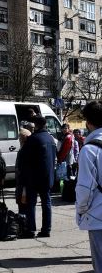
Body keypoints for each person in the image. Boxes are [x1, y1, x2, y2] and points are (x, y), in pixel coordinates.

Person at [18, 116, 56, 238]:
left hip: (33, 178)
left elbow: (25, 160)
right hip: (47, 176)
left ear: (37, 125)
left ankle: (30, 229)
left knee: (31, 203)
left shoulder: (33, 139)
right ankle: (46, 229)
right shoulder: (50, 138)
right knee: (46, 203)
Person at [76, 100, 102, 272]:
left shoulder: (90, 150)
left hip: (98, 216)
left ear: (88, 122)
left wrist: (81, 210)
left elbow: (85, 189)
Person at [15, 128, 32, 236]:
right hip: (25, 183)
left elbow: (20, 169)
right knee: (25, 206)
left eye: (20, 137)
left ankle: (24, 228)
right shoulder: (29, 149)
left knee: (22, 205)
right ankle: (26, 226)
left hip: (23, 184)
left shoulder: (23, 151)